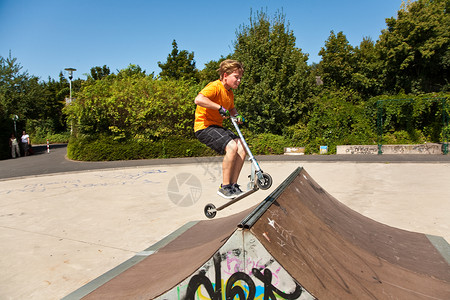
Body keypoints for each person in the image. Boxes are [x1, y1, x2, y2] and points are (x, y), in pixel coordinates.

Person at [194, 59, 246, 199]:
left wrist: (238, 116)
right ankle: (224, 187)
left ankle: (233, 185)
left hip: (217, 126)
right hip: (203, 126)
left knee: (241, 146)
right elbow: (198, 99)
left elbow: (231, 109)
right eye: (236, 77)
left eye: (240, 78)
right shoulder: (215, 86)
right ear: (225, 76)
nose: (239, 81)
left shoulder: (229, 93)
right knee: (231, 146)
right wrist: (219, 108)